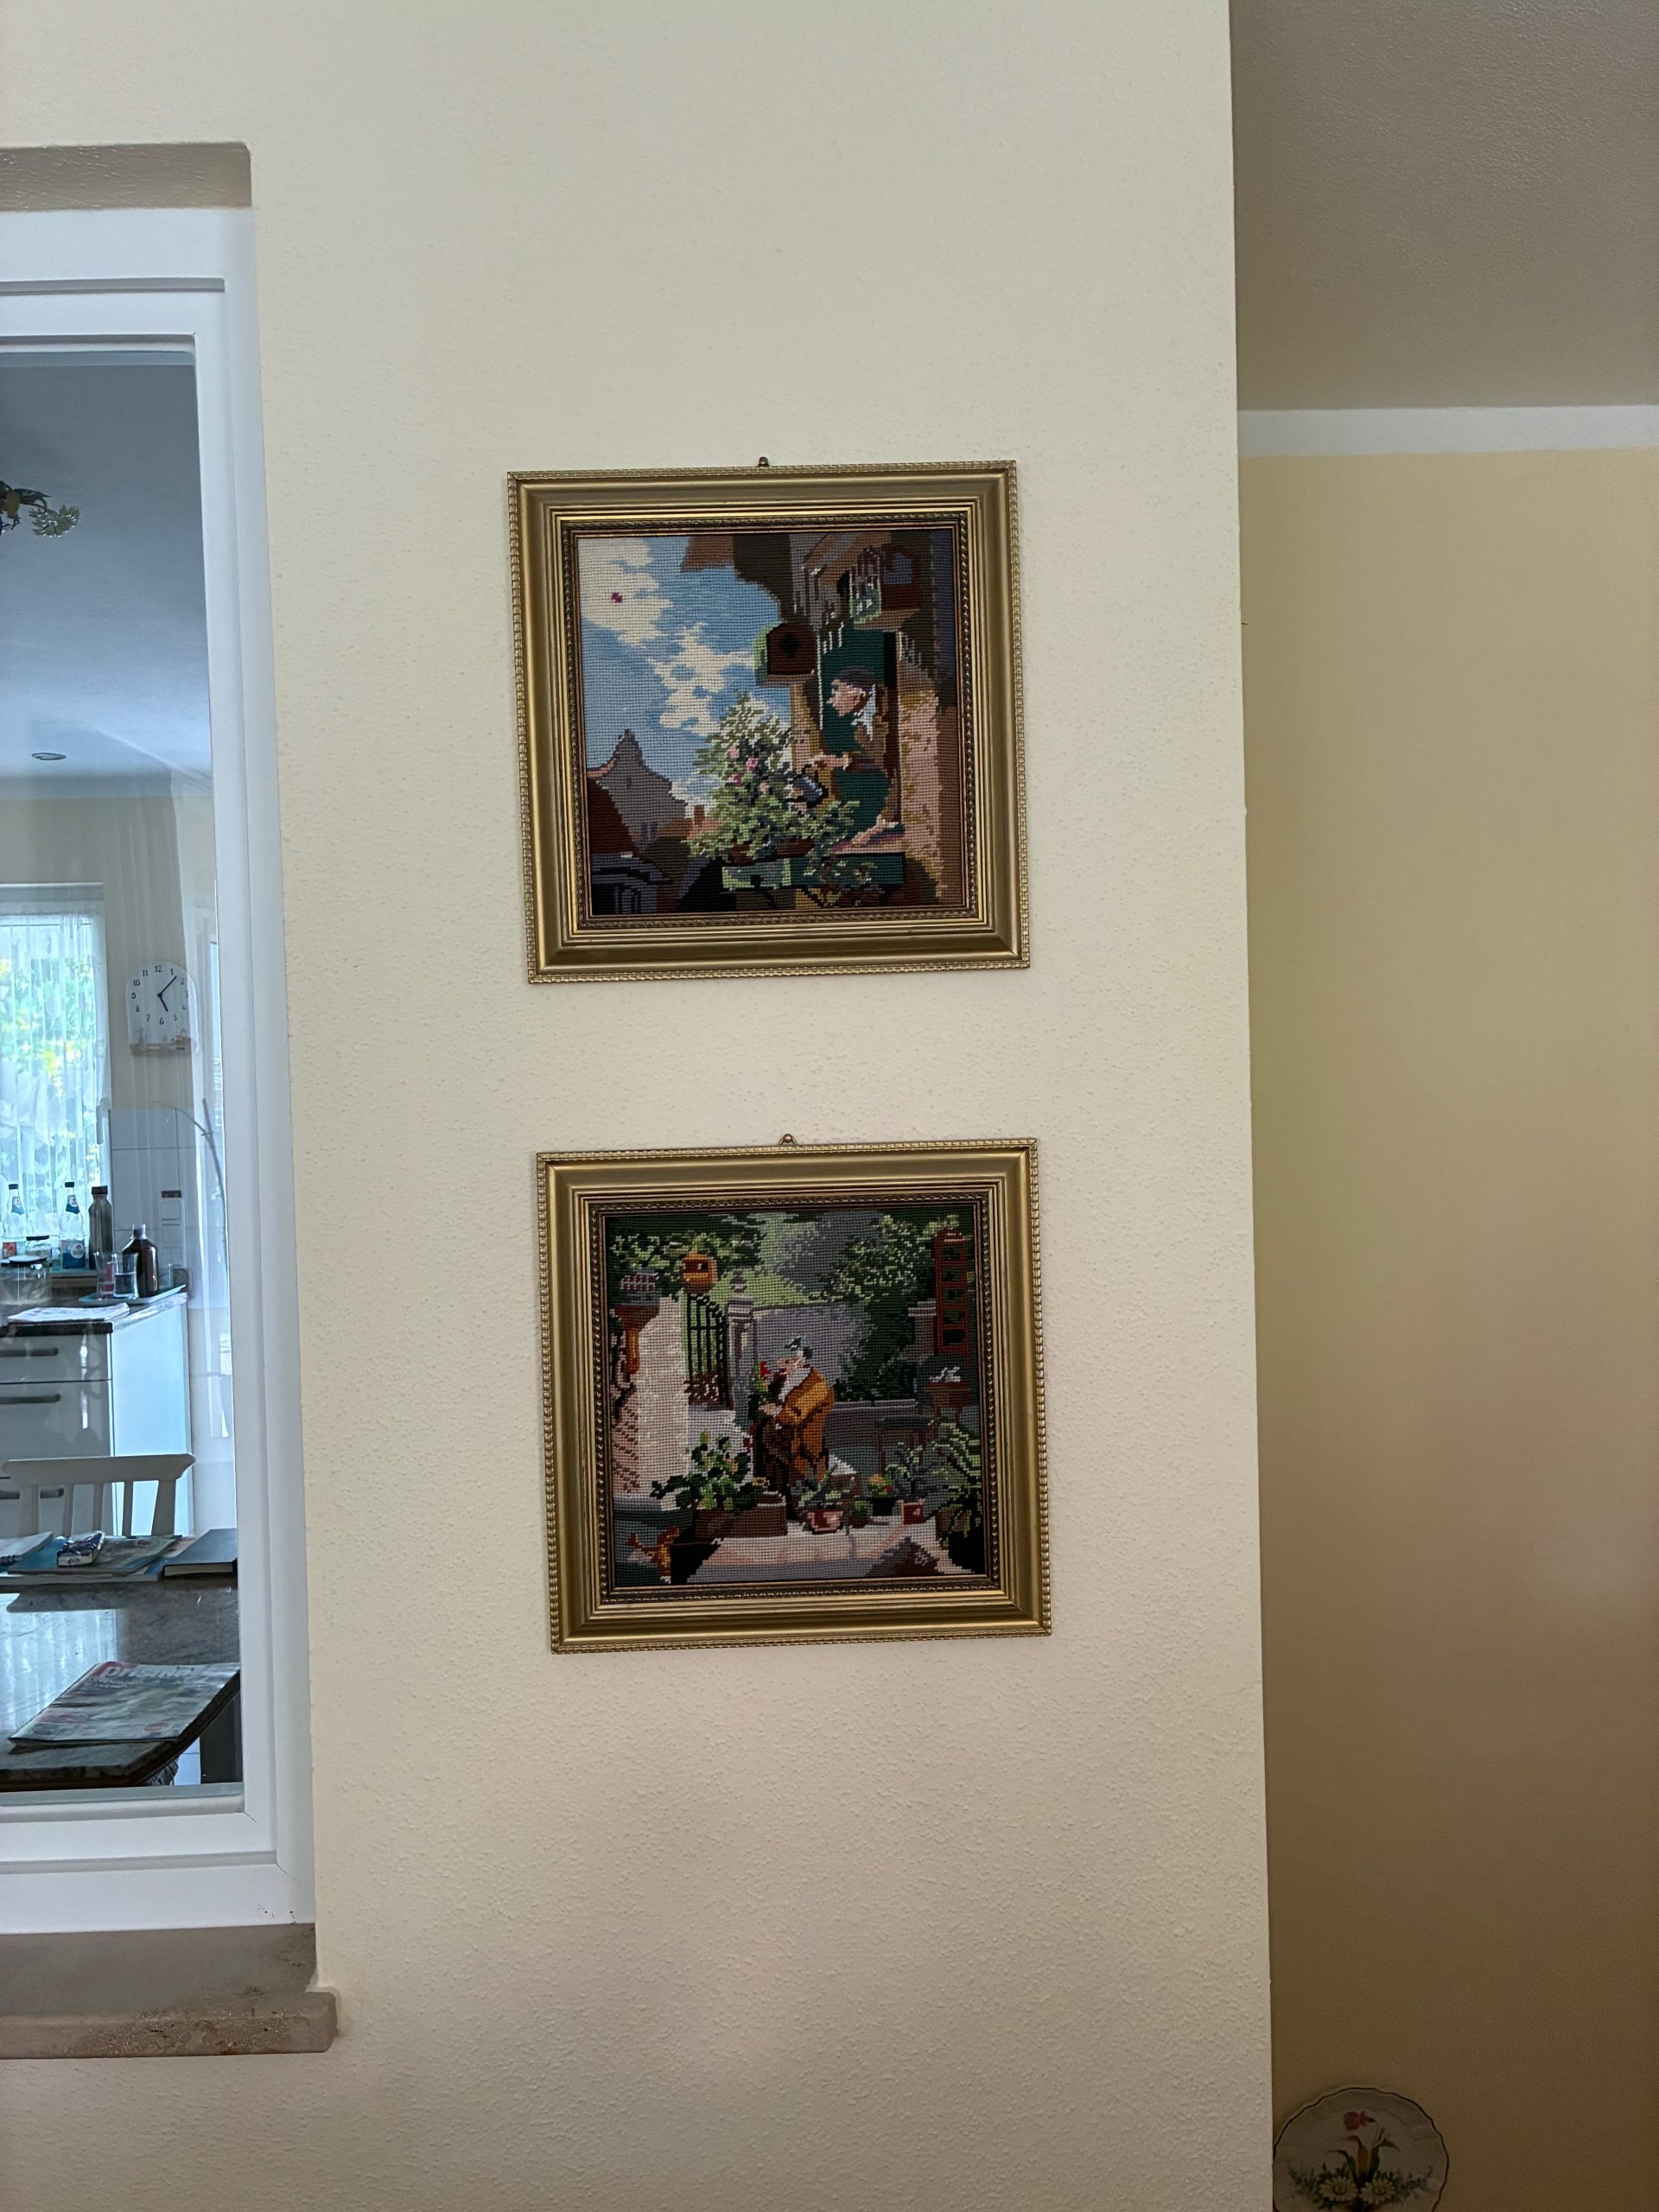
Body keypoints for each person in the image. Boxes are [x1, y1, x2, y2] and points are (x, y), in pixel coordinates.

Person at [753, 1338, 835, 1503]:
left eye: (788, 1361)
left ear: (802, 1360)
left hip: (800, 1444)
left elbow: (796, 1415)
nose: (783, 1366)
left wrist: (776, 1411)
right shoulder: (784, 1380)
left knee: (797, 1490)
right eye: (782, 1361)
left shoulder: (816, 1384)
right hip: (778, 1441)